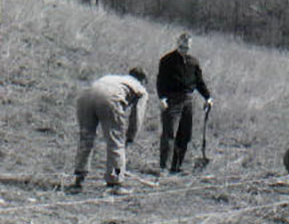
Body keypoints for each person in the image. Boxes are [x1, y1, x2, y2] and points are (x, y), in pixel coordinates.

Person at [68, 67, 149, 195]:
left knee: (86, 139)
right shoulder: (140, 88)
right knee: (116, 143)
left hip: (85, 96)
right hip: (109, 98)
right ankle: (115, 182)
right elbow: (137, 116)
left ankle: (79, 179)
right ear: (143, 80)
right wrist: (130, 137)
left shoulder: (115, 78)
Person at [156, 32, 213, 174]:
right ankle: (164, 167)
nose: (184, 50)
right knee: (169, 134)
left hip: (188, 100)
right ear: (177, 44)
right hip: (171, 101)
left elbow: (199, 82)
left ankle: (176, 167)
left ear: (190, 46)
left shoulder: (193, 62)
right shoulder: (166, 60)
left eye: (186, 47)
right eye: (181, 46)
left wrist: (208, 97)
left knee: (185, 135)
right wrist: (162, 98)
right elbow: (160, 81)